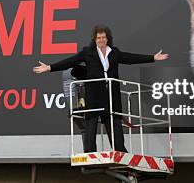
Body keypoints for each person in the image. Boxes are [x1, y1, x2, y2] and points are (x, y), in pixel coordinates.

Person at [33, 25, 169, 153]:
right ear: (95, 39)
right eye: (98, 38)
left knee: (114, 121)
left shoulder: (114, 53)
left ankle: (120, 151)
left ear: (107, 38)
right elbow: (70, 61)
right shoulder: (88, 53)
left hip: (111, 94)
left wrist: (153, 58)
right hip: (94, 93)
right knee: (91, 122)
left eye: (103, 37)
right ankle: (90, 152)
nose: (101, 40)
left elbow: (131, 58)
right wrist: (49, 67)